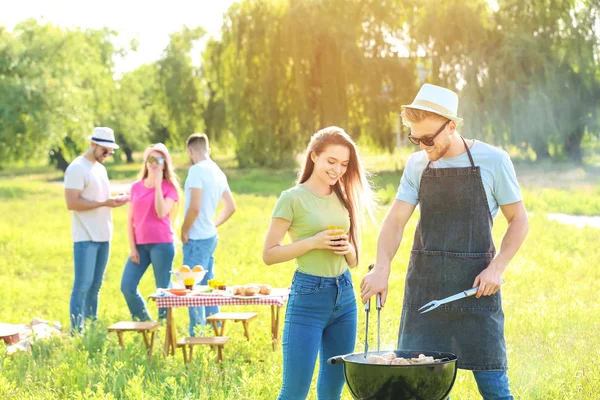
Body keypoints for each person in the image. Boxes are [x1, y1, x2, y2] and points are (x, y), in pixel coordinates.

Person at [360, 84, 529, 399]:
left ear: (451, 126)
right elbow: (396, 220)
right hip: (426, 289)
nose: (422, 146)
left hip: (476, 288)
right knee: (425, 389)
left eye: (428, 138)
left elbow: (519, 220)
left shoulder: (493, 160)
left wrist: (497, 268)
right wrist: (382, 267)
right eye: (415, 138)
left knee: (493, 386)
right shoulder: (417, 165)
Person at [263, 126, 375, 400]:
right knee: (295, 391)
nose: (338, 170)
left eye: (344, 164)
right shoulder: (292, 198)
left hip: (345, 298)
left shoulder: (343, 197)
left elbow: (354, 261)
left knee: (332, 389)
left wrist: (348, 248)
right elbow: (269, 254)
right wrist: (313, 242)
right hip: (308, 298)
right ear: (314, 156)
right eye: (331, 161)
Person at [64, 127, 128, 333]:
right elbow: (72, 202)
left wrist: (114, 199)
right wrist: (105, 202)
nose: (107, 155)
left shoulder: (100, 168)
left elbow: (99, 198)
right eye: (105, 151)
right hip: (85, 237)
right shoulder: (76, 168)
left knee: (95, 287)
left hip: (103, 235)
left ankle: (91, 329)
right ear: (94, 144)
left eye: (110, 152)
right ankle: (77, 332)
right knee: (82, 286)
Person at [181, 133, 236, 336]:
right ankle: (217, 328)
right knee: (208, 285)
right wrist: (212, 224)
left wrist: (184, 230)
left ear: (190, 151)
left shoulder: (196, 171)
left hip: (196, 237)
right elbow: (231, 207)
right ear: (208, 150)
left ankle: (197, 335)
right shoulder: (217, 172)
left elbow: (194, 208)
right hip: (210, 236)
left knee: (193, 287)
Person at [120, 143, 181, 322]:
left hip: (162, 245)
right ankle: (146, 324)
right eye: (151, 159)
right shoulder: (136, 187)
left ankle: (165, 330)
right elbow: (130, 220)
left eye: (159, 159)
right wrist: (132, 248)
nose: (154, 163)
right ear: (146, 162)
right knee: (127, 286)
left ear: (165, 164)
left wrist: (159, 185)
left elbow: (161, 212)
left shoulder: (169, 188)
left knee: (162, 291)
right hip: (140, 245)